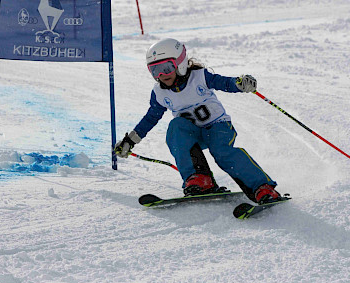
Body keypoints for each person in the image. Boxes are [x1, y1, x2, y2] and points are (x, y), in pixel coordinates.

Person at [115, 38, 281, 204]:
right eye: (155, 70)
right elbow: (150, 118)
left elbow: (223, 82)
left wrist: (239, 84)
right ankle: (199, 179)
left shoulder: (199, 76)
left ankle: (262, 187)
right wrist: (130, 140)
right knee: (176, 128)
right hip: (192, 134)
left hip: (218, 127)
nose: (161, 75)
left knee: (221, 152)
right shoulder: (160, 93)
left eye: (166, 68)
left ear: (180, 63)